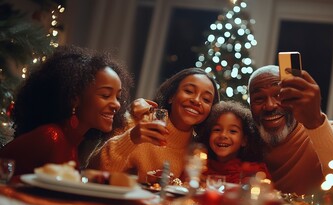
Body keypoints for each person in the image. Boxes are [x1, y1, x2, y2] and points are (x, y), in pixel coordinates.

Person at [0, 45, 133, 176]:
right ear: (74, 97)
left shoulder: (71, 143)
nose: (116, 105)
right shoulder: (52, 137)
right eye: (105, 95)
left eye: (118, 97)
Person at [88, 68, 220, 183]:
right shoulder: (139, 121)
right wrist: (130, 138)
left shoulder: (198, 150)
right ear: (171, 97)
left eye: (206, 99)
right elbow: (94, 170)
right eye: (189, 91)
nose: (196, 101)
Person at [248, 65, 333, 195]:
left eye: (278, 95)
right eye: (259, 99)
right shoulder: (246, 140)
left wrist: (315, 122)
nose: (269, 106)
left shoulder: (326, 129)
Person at [198, 101, 270, 184]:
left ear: (244, 140)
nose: (223, 135)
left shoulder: (254, 172)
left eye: (232, 131)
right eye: (217, 129)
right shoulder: (199, 168)